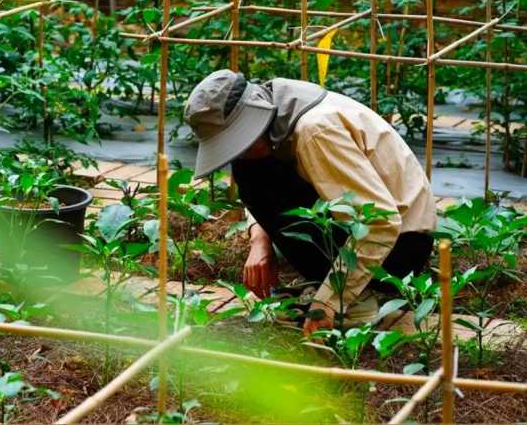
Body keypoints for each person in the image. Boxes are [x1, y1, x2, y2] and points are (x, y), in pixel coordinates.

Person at [183, 69, 437, 336]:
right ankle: (337, 280)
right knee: (251, 169)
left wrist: (327, 304)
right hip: (379, 232)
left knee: (255, 172)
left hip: (400, 248)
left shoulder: (314, 132)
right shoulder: (276, 107)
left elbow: (379, 222)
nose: (239, 151)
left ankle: (363, 297)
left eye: (239, 141)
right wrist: (260, 241)